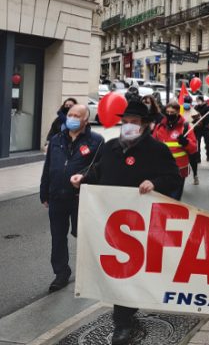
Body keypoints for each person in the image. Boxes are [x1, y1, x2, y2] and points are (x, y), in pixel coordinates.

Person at [69, 100, 182, 345]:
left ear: (145, 125)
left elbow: (173, 178)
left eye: (134, 122)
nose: (128, 126)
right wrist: (83, 178)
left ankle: (124, 316)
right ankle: (123, 319)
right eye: (126, 122)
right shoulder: (110, 148)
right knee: (120, 272)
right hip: (111, 224)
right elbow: (98, 172)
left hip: (142, 225)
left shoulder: (157, 150)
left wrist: (155, 183)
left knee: (133, 272)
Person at [40, 104, 103, 292]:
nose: (72, 118)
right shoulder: (57, 139)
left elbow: (101, 169)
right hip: (56, 196)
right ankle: (61, 273)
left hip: (80, 198)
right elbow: (48, 167)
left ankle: (94, 269)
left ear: (85, 120)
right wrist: (44, 191)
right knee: (58, 237)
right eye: (70, 114)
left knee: (82, 234)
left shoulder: (96, 141)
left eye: (77, 115)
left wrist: (86, 180)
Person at [152, 102, 198, 199]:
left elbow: (194, 148)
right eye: (167, 112)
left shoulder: (185, 127)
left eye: (172, 112)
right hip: (162, 169)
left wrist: (186, 143)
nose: (169, 114)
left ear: (177, 112)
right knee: (162, 198)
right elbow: (153, 145)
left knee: (175, 199)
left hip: (180, 170)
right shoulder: (159, 127)